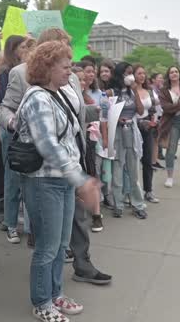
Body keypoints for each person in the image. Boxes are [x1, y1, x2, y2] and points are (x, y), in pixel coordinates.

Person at [0, 28, 111, 286]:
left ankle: (78, 267)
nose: (70, 65)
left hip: (72, 156)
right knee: (49, 241)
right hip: (44, 169)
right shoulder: (22, 75)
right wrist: (20, 124)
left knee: (71, 225)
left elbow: (72, 113)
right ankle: (44, 294)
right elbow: (6, 110)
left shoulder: (68, 77)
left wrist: (99, 111)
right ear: (48, 50)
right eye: (63, 46)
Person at [15, 40, 102, 322]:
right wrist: (80, 180)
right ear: (48, 67)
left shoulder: (57, 94)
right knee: (48, 247)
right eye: (65, 66)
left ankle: (54, 294)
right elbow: (48, 145)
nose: (70, 71)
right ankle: (42, 302)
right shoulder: (38, 98)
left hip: (60, 181)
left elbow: (68, 139)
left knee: (59, 244)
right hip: (44, 182)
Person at [0, 35, 29, 231]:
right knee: (12, 177)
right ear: (13, 50)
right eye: (23, 46)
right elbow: (7, 101)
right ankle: (9, 220)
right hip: (11, 129)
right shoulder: (9, 72)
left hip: (21, 129)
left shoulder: (25, 70)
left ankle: (15, 216)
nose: (26, 49)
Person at [102, 62, 147, 219]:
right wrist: (116, 119)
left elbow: (141, 112)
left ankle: (138, 204)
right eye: (127, 73)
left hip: (131, 131)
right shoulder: (110, 92)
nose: (131, 76)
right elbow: (104, 115)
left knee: (133, 170)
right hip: (117, 133)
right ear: (120, 74)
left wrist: (135, 92)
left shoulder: (132, 91)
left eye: (131, 73)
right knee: (117, 170)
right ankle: (118, 204)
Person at [78, 60, 104, 232]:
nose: (82, 82)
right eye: (78, 79)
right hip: (75, 141)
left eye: (82, 79)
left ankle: (96, 215)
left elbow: (97, 113)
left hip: (88, 139)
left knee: (91, 174)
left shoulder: (87, 96)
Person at [133, 65, 160, 203]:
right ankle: (132, 192)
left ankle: (148, 191)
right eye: (139, 73)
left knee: (148, 160)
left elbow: (154, 109)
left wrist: (153, 120)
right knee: (133, 161)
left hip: (147, 128)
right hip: (133, 126)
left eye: (144, 73)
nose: (142, 76)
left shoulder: (149, 91)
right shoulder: (130, 92)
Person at [96, 59, 115, 210]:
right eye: (101, 71)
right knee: (100, 165)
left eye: (107, 71)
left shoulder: (116, 88)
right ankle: (101, 196)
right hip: (99, 130)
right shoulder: (98, 90)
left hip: (113, 127)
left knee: (110, 164)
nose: (104, 74)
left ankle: (109, 194)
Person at [150, 72, 166, 167]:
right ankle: (151, 160)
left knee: (156, 140)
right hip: (153, 116)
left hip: (160, 115)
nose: (161, 80)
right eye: (159, 78)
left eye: (162, 78)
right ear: (153, 80)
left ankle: (154, 161)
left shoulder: (160, 90)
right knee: (153, 140)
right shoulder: (151, 90)